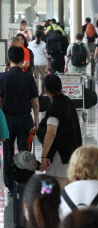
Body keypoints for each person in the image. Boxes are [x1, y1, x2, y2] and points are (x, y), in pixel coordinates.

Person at [0, 46, 39, 196]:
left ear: (9, 60)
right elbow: (35, 103)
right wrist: (36, 119)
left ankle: (10, 186)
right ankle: (24, 183)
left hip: (6, 120)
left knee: (7, 152)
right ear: (23, 60)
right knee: (24, 152)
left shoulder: (2, 78)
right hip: (25, 120)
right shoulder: (29, 79)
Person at [38, 74, 82, 185]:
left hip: (59, 154)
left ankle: (51, 202)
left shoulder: (55, 106)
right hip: (71, 151)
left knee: (54, 186)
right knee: (69, 185)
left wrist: (43, 157)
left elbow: (51, 133)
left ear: (45, 89)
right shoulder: (67, 101)